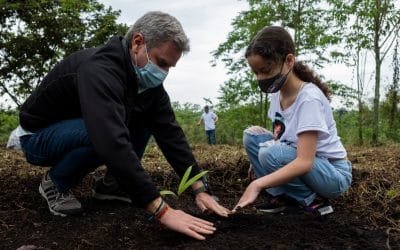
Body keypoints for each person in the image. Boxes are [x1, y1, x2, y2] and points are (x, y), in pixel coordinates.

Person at [17, 11, 230, 240]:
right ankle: (56, 183)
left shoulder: (146, 85)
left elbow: (170, 133)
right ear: (138, 43)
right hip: (38, 138)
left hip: (82, 130)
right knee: (100, 132)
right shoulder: (99, 69)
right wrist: (162, 210)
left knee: (145, 120)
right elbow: (109, 139)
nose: (163, 74)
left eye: (170, 67)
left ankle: (113, 186)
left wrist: (199, 189)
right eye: (161, 63)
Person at [233, 26, 352, 216]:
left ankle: (313, 199)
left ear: (289, 61)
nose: (261, 78)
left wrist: (258, 184)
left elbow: (305, 162)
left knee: (269, 153)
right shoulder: (276, 93)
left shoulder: (308, 99)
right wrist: (256, 161)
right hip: (308, 163)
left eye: (265, 70)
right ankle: (281, 196)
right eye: (256, 73)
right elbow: (281, 135)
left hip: (332, 175)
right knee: (251, 136)